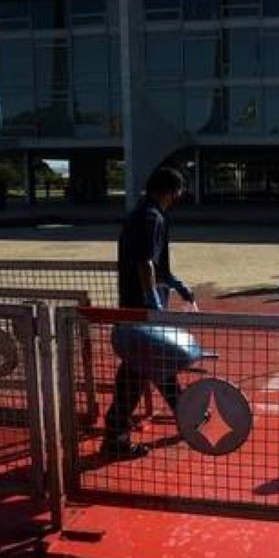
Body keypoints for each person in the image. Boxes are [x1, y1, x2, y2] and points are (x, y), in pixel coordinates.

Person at [103, 167, 196, 459]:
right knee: (138, 373)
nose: (178, 198)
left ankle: (187, 417)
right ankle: (115, 437)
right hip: (140, 310)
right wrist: (152, 304)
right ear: (171, 190)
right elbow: (145, 263)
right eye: (179, 192)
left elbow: (158, 265)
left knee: (157, 366)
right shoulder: (151, 217)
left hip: (136, 307)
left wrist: (177, 285)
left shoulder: (142, 213)